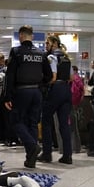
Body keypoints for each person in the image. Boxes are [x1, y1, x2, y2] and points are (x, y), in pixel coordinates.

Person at [4, 25, 53, 168]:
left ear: (20, 36)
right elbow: (49, 75)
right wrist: (40, 85)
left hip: (21, 91)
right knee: (32, 123)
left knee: (16, 121)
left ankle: (32, 146)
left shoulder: (16, 52)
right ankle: (30, 159)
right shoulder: (41, 54)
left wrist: (7, 97)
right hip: (36, 92)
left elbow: (10, 75)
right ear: (32, 36)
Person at [38, 35, 73, 164]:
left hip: (55, 90)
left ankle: (47, 154)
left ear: (54, 43)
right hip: (66, 90)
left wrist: (43, 83)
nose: (45, 45)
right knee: (64, 124)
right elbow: (71, 78)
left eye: (47, 43)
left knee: (46, 121)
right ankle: (67, 155)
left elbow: (53, 77)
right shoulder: (66, 58)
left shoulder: (51, 57)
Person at [70, 65, 85, 153]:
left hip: (69, 102)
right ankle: (76, 147)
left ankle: (73, 147)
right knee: (74, 125)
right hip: (76, 103)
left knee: (70, 125)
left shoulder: (71, 78)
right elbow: (82, 90)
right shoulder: (78, 78)